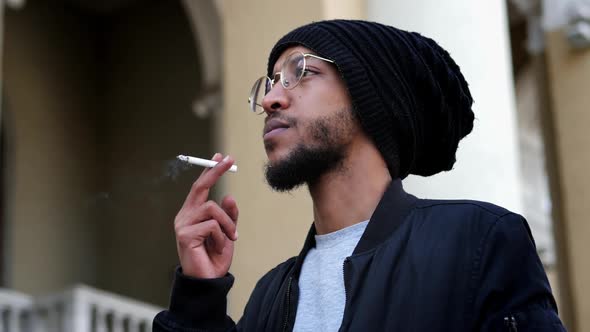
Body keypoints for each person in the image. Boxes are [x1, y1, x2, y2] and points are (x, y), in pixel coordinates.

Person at [153, 20, 565, 331]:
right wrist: (199, 298)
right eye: (272, 83)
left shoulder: (479, 241)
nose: (272, 99)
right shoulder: (269, 296)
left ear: (371, 96)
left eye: (302, 72)